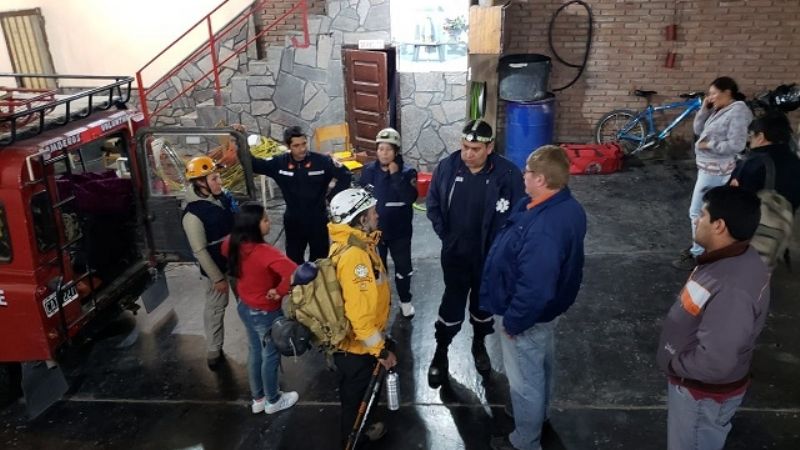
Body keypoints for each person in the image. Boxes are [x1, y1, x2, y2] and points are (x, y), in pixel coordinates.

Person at [480, 146, 587, 450]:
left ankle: (525, 440)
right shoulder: (561, 206)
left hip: (526, 315)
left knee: (524, 380)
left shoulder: (545, 228)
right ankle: (538, 415)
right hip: (546, 312)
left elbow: (535, 287)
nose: (522, 175)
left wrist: (514, 322)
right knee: (542, 365)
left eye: (527, 171)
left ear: (540, 179)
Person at [658, 186, 769, 450]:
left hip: (700, 398)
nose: (697, 219)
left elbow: (716, 362)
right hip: (699, 393)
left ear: (719, 226)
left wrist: (675, 364)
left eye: (703, 215)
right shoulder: (732, 260)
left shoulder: (732, 288)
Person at [426, 119, 525, 387]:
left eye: (475, 149)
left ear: (489, 147)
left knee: (483, 305)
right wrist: (446, 237)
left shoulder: (508, 175)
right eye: (465, 147)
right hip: (456, 254)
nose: (468, 154)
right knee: (452, 303)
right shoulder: (447, 168)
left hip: (489, 258)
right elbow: (433, 204)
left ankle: (479, 344)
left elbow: (518, 216)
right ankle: (441, 351)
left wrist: (503, 250)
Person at [328, 187, 397, 445]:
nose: (377, 215)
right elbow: (359, 316)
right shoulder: (356, 257)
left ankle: (363, 429)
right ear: (361, 219)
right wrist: (380, 351)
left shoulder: (350, 244)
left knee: (353, 398)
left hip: (353, 346)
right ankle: (354, 440)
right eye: (372, 212)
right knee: (356, 403)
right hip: (357, 350)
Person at [221, 202, 299, 415]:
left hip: (245, 307)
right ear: (253, 225)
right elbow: (295, 272)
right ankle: (273, 400)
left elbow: (223, 248)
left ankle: (258, 398)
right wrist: (280, 291)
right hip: (266, 312)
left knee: (255, 351)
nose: (269, 222)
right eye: (265, 220)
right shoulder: (265, 252)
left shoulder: (232, 243)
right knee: (270, 355)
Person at [673, 77, 753, 271]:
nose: (710, 97)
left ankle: (699, 254)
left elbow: (737, 145)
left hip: (717, 170)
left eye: (713, 93)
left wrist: (709, 145)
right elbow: (698, 129)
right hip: (708, 168)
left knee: (697, 211)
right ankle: (702, 248)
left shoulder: (738, 111)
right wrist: (705, 108)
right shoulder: (720, 109)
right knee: (707, 211)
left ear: (727, 92)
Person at [250, 126, 352, 264]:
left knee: (320, 261)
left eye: (304, 144)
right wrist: (239, 138)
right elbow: (254, 165)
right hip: (294, 221)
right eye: (296, 146)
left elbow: (345, 175)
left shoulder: (322, 161)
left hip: (318, 220)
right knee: (293, 261)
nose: (302, 149)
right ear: (288, 146)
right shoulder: (279, 163)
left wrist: (331, 198)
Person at [181, 156, 238, 369]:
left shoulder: (221, 197)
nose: (219, 182)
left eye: (218, 177)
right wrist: (217, 278)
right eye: (214, 179)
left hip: (236, 259)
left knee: (248, 300)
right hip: (217, 265)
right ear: (200, 182)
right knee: (216, 307)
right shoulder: (192, 214)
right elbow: (200, 250)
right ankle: (214, 348)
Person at [358, 128, 418, 319]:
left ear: (396, 151)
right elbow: (362, 198)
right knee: (377, 269)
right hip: (375, 232)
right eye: (380, 149)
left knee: (403, 268)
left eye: (388, 149)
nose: (384, 153)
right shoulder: (368, 171)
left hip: (400, 231)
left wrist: (395, 176)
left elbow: (409, 198)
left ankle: (405, 301)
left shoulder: (408, 172)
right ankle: (380, 301)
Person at [729, 112, 800, 212]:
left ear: (760, 137)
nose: (749, 141)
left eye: (751, 136)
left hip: (756, 219)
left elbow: (733, 198)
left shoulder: (751, 163)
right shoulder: (795, 160)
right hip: (786, 219)